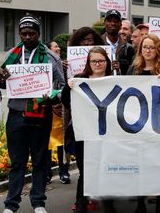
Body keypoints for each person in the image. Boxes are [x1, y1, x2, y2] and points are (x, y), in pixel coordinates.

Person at [0, 14, 65, 213]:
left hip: (41, 114)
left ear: (39, 34)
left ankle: (38, 202)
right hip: (16, 114)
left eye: (31, 33)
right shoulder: (12, 54)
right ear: (19, 34)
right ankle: (11, 204)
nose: (27, 37)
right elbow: (4, 82)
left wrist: (53, 96)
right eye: (23, 34)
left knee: (40, 160)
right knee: (17, 162)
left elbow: (63, 86)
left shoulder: (51, 57)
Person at [127, 33, 160, 213]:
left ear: (157, 50)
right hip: (138, 125)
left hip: (159, 125)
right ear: (140, 49)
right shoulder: (134, 69)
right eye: (144, 47)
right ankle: (140, 202)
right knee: (140, 165)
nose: (148, 50)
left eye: (151, 47)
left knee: (158, 165)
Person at [65, 27, 106, 213]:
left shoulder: (114, 80)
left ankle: (99, 201)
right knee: (84, 171)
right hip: (83, 134)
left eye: (101, 60)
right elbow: (66, 102)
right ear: (88, 62)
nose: (97, 64)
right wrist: (68, 87)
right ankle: (81, 205)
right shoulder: (79, 80)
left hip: (104, 135)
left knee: (101, 169)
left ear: (106, 62)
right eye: (94, 61)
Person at [45, 40, 71, 185]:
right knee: (49, 142)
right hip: (49, 107)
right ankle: (48, 172)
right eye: (55, 47)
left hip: (62, 107)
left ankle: (63, 170)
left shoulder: (65, 64)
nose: (58, 48)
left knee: (62, 141)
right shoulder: (46, 64)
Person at [101, 9, 135, 75]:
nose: (113, 23)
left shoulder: (129, 48)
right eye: (109, 21)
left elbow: (133, 72)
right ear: (104, 23)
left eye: (116, 21)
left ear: (120, 24)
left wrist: (120, 70)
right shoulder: (97, 44)